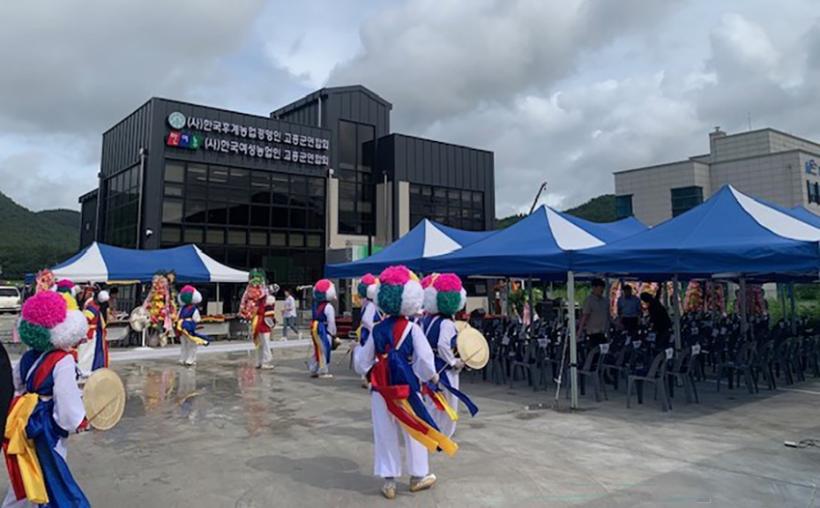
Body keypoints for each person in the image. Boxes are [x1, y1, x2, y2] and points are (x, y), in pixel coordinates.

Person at [354, 265, 456, 500]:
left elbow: (362, 362)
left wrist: (371, 370)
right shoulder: (413, 329)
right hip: (407, 388)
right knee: (414, 429)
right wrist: (429, 377)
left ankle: (389, 481)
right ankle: (418, 476)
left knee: (384, 432)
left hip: (381, 389)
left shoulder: (377, 329)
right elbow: (425, 361)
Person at [3, 291, 91, 507]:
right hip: (47, 422)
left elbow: (17, 386)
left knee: (26, 468)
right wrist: (76, 421)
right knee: (53, 472)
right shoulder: (63, 360)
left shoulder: (27, 356)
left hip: (24, 420)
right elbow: (66, 399)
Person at [421, 273, 478, 438]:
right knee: (448, 403)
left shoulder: (427, 320)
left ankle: (431, 430)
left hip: (430, 367)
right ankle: (444, 434)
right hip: (444, 369)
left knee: (432, 401)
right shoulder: (446, 323)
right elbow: (442, 345)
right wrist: (453, 362)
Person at [176, 285, 210, 367]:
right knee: (186, 344)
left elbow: (179, 317)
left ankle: (189, 358)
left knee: (188, 344)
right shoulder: (190, 309)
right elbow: (196, 319)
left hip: (186, 327)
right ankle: (186, 358)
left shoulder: (187, 309)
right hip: (184, 327)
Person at [79, 286, 110, 375]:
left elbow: (86, 319)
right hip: (91, 332)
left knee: (87, 353)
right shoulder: (93, 305)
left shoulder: (92, 306)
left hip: (90, 333)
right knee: (88, 353)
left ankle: (85, 371)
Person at [309, 279, 336, 379]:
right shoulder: (328, 307)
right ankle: (323, 370)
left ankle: (313, 368)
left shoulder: (316, 305)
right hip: (323, 330)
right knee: (324, 350)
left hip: (315, 328)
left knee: (316, 349)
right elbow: (331, 321)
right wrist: (332, 333)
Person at [578, 278, 609, 348]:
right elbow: (585, 316)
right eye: (600, 288)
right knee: (594, 352)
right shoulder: (589, 300)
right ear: (594, 288)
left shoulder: (605, 301)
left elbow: (608, 316)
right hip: (592, 334)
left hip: (602, 333)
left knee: (605, 352)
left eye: (603, 288)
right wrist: (579, 331)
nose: (601, 290)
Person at [252, 287, 276, 369]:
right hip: (264, 324)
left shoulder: (258, 300)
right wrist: (272, 324)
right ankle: (265, 362)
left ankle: (259, 362)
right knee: (266, 344)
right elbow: (269, 315)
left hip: (258, 323)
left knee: (260, 344)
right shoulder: (269, 299)